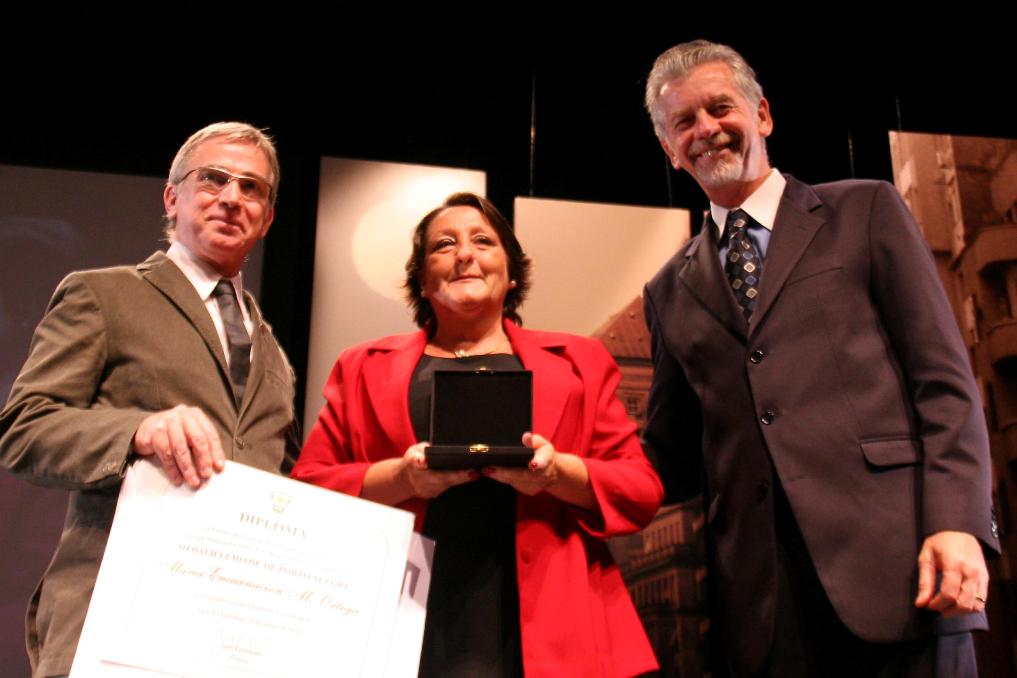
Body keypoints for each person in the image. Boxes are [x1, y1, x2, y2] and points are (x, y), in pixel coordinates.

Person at [641, 40, 999, 677]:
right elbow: (672, 454)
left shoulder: (867, 210)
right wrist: (561, 469)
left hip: (905, 566)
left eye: (719, 108)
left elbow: (944, 384)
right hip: (762, 605)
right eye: (684, 123)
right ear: (670, 148)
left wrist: (959, 522)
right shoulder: (667, 290)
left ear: (763, 115)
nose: (706, 131)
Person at [292, 192, 663, 677]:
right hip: (400, 619)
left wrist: (554, 473)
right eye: (444, 245)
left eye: (483, 241)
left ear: (512, 274)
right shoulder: (362, 368)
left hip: (553, 622)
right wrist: (403, 478)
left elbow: (640, 491)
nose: (464, 253)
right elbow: (309, 491)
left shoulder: (579, 363)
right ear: (422, 281)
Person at [0, 122, 300, 678]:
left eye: (252, 188)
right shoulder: (103, 294)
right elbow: (22, 428)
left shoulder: (273, 353)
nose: (232, 197)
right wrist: (136, 431)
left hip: (233, 638)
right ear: (172, 196)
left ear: (269, 217)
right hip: (113, 618)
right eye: (213, 179)